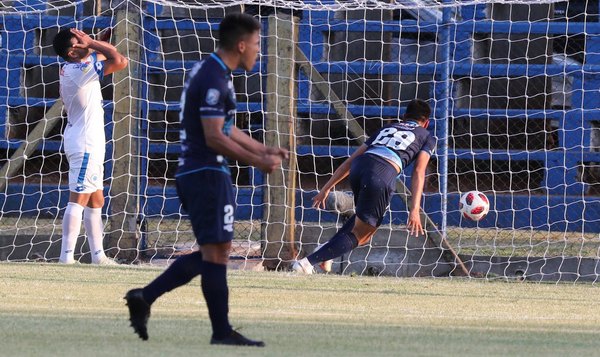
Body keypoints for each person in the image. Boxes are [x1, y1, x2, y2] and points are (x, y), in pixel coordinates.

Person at [124, 13, 287, 346]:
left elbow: (225, 127)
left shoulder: (214, 71)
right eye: (257, 43)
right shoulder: (214, 76)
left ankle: (146, 296)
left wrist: (264, 148)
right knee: (216, 253)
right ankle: (220, 331)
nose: (259, 50)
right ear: (241, 45)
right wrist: (257, 161)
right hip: (205, 172)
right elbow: (214, 136)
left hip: (200, 171)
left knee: (218, 251)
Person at [293, 99, 436, 274]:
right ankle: (307, 263)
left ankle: (326, 252)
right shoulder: (426, 136)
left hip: (359, 167)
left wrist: (326, 188)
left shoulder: (386, 129)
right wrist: (414, 209)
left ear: (404, 117)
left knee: (361, 220)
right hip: (381, 173)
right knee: (364, 235)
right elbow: (419, 171)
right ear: (426, 122)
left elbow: (350, 161)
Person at [52, 28, 128, 265]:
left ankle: (99, 256)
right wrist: (94, 42)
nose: (85, 41)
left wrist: (95, 44)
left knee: (97, 200)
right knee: (79, 198)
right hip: (84, 143)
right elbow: (120, 60)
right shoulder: (78, 70)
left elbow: (104, 56)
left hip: (91, 141)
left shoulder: (77, 66)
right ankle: (66, 257)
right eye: (80, 40)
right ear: (72, 52)